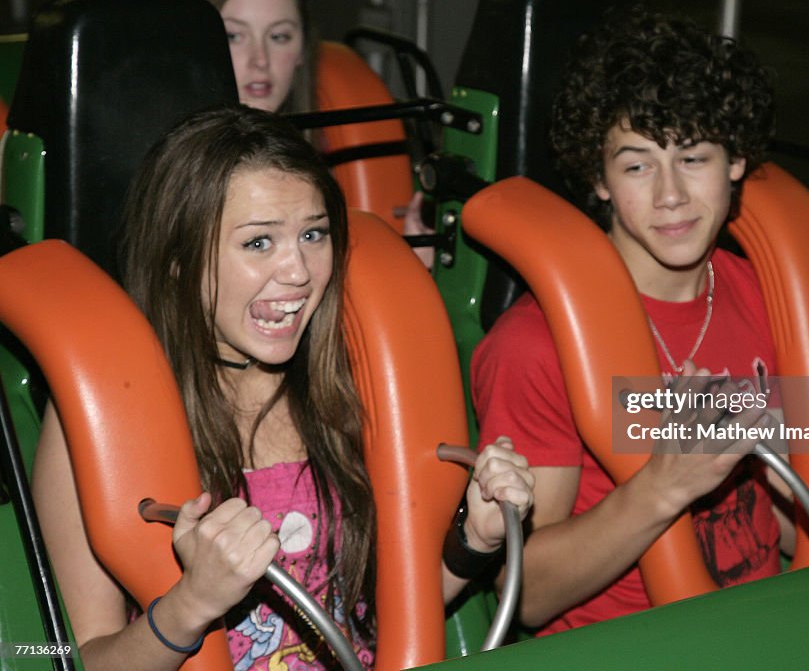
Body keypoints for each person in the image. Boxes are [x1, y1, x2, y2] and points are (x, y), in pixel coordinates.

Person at [471, 7, 809, 635]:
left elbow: (793, 520)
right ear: (598, 180)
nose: (670, 194)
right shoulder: (535, 345)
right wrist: (662, 487)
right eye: (637, 165)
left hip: (763, 624)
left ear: (735, 161)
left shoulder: (768, 298)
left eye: (694, 157)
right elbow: (530, 594)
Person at [32, 105, 534, 670]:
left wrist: (476, 541)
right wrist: (190, 605)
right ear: (178, 261)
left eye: (313, 234)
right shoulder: (102, 420)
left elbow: (365, 624)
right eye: (258, 243)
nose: (298, 270)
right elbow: (78, 661)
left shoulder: (348, 382)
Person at [189, 0, 434, 268]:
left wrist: (413, 263)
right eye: (234, 36)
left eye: (279, 37)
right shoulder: (165, 169)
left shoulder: (329, 162)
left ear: (303, 49)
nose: (260, 60)